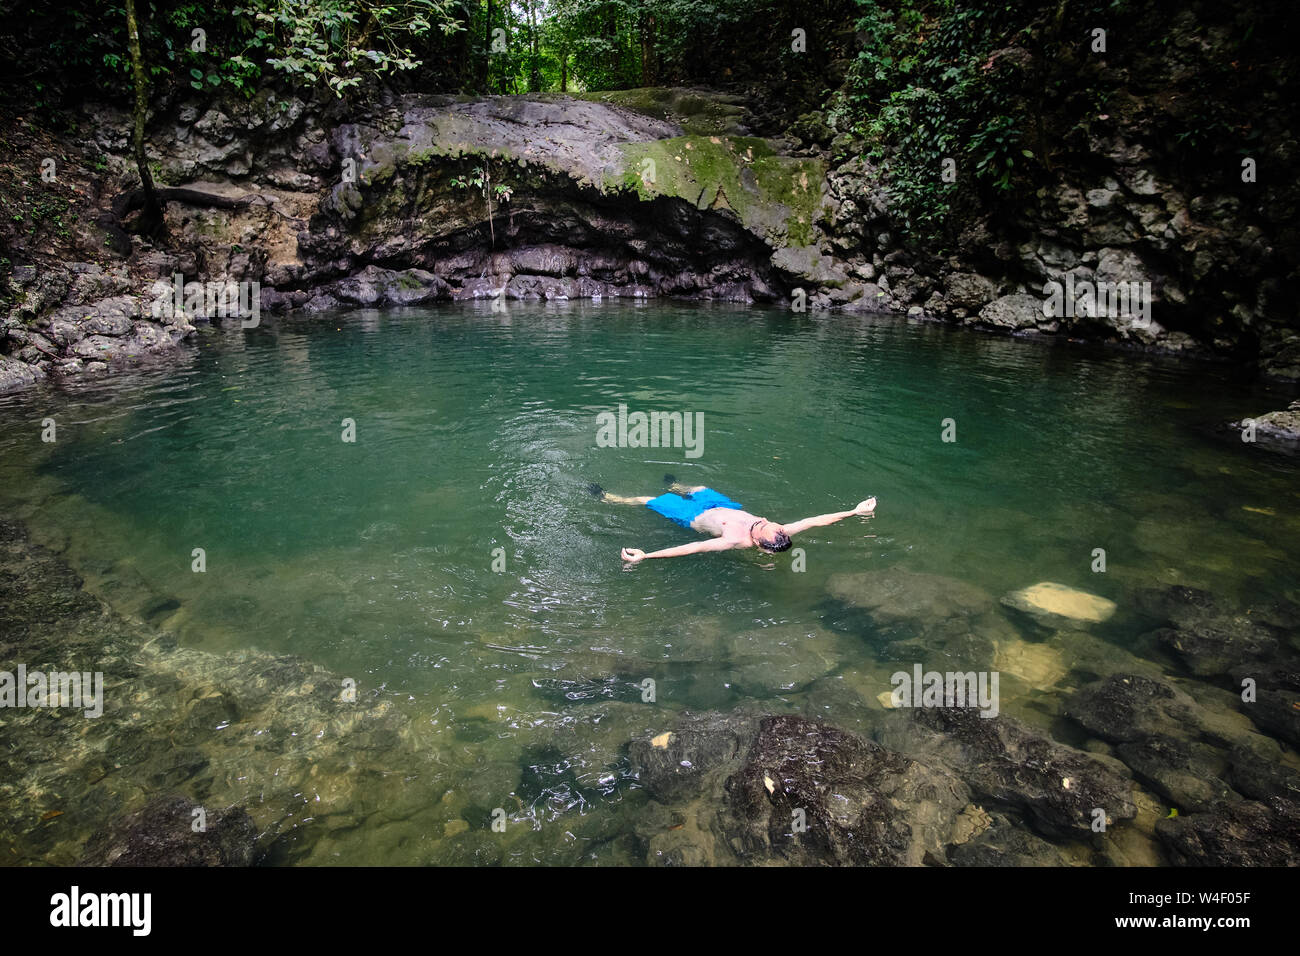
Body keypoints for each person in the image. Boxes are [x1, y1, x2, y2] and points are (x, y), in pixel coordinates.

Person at [589, 477, 876, 563]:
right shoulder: (779, 530)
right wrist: (853, 511)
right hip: (720, 505)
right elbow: (815, 520)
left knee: (646, 499)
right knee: (697, 487)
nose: (763, 521)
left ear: (759, 546)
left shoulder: (734, 541)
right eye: (766, 522)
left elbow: (694, 548)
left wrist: (647, 555)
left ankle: (607, 498)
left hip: (692, 516)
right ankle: (677, 485)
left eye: (761, 528)